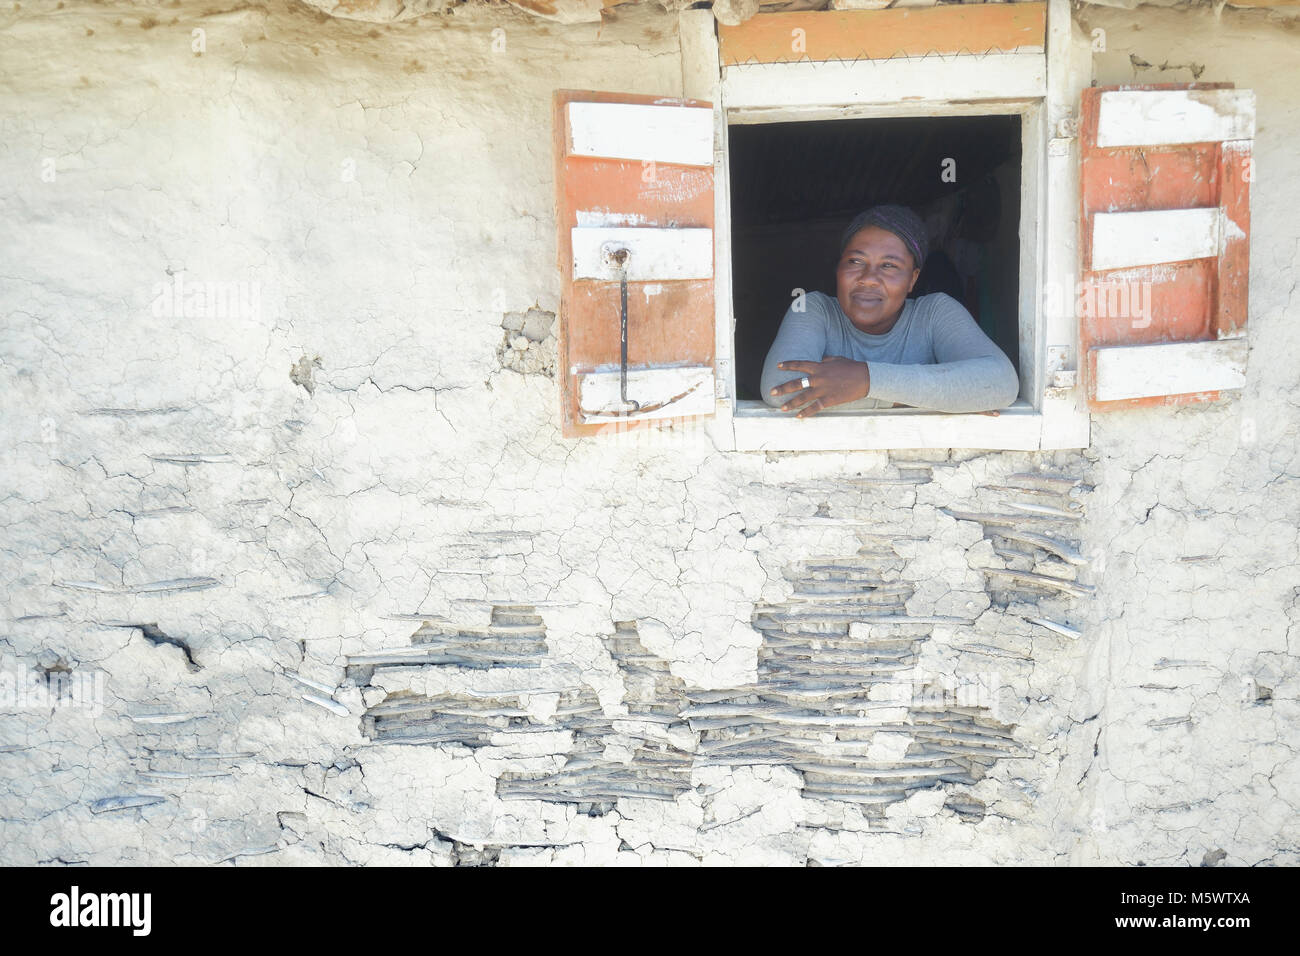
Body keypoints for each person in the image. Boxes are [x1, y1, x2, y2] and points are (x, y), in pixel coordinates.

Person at [761, 204, 1019, 417]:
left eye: (889, 266)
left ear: (913, 280)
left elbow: (1000, 384)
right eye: (855, 261)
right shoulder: (811, 309)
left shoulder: (935, 313)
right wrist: (947, 398)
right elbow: (782, 391)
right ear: (838, 269)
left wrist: (865, 380)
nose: (868, 278)